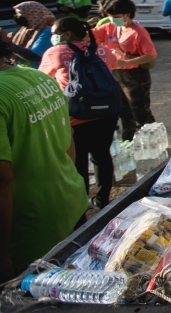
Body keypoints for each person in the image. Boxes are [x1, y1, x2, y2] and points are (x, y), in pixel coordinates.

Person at [0, 39, 88, 281]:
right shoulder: (38, 77)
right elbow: (68, 137)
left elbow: (2, 179)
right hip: (69, 203)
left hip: (26, 233)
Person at [39, 18, 119, 209]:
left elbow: (41, 78)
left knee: (78, 161)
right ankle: (102, 200)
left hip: (75, 116)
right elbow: (112, 67)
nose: (53, 37)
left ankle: (81, 206)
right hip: (106, 113)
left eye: (54, 33)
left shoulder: (55, 52)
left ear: (66, 34)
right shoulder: (102, 50)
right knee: (102, 155)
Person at [92, 0, 157, 141]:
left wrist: (127, 63)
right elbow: (87, 37)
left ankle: (154, 140)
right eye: (109, 16)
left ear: (127, 14)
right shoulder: (110, 27)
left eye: (116, 16)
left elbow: (150, 55)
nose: (112, 19)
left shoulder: (138, 32)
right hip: (115, 74)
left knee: (140, 112)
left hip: (135, 75)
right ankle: (128, 140)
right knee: (123, 111)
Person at [8, 2, 55, 69]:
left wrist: (10, 44)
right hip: (24, 71)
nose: (17, 16)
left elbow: (34, 56)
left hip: (38, 72)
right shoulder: (24, 30)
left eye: (19, 14)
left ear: (33, 14)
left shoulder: (48, 32)